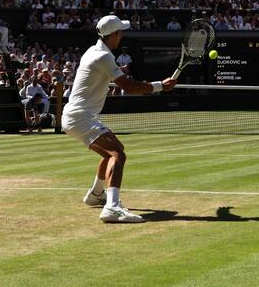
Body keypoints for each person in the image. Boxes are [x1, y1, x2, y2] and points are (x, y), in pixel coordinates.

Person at [63, 14, 176, 224]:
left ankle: (96, 195)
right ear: (113, 35)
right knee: (118, 155)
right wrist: (160, 85)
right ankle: (112, 208)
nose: (122, 35)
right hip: (79, 117)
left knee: (112, 152)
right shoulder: (103, 57)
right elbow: (130, 87)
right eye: (120, 32)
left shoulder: (95, 51)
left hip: (76, 116)